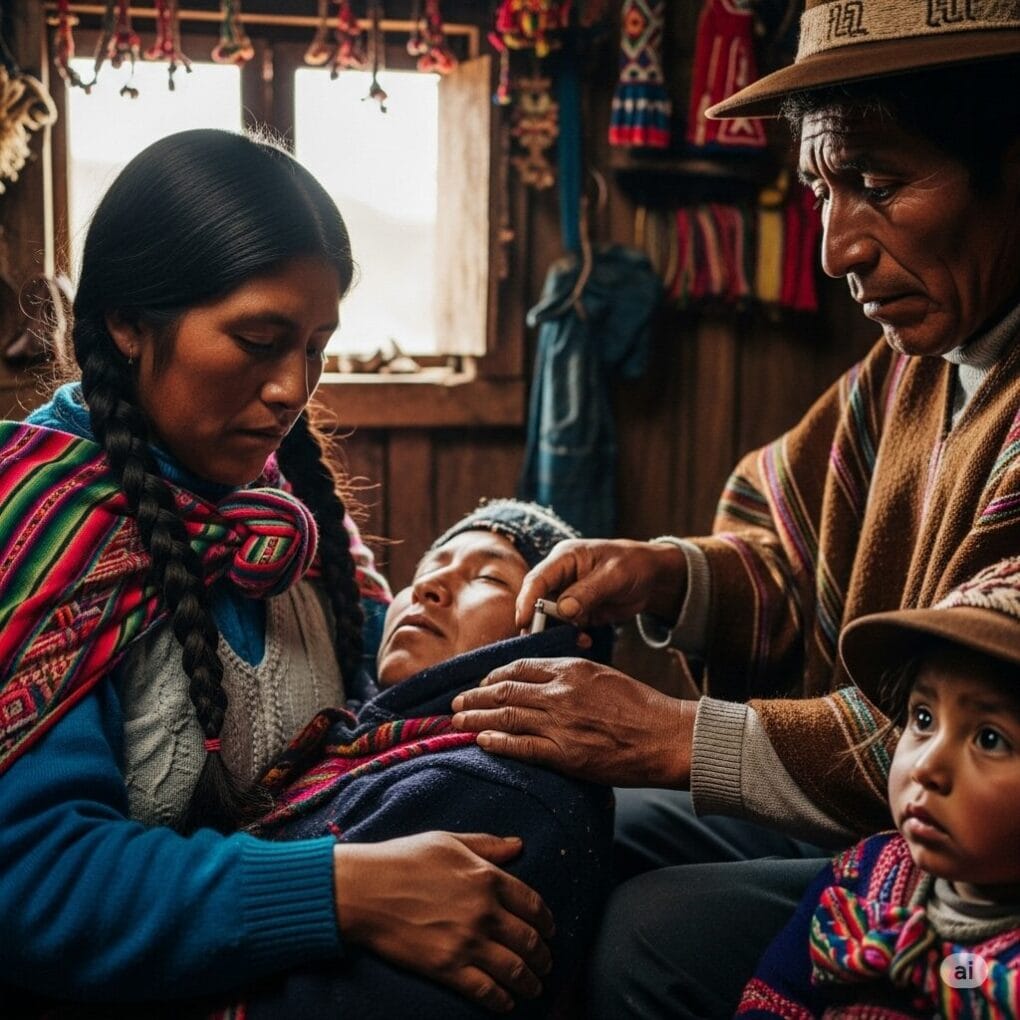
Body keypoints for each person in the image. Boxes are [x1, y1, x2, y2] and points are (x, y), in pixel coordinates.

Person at [449, 5, 1020, 1015]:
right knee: (579, 823)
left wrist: (677, 735)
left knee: (649, 939)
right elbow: (788, 546)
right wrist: (672, 573)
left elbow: (974, 728)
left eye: (879, 187)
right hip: (890, 817)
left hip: (984, 867)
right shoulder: (913, 365)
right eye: (820, 190)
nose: (838, 246)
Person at [0, 129, 554, 1016]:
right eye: (260, 340)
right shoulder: (35, 535)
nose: (294, 388)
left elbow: (394, 689)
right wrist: (345, 890)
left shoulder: (288, 517)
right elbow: (30, 880)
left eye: (316, 344)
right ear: (129, 323)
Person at [235, 499, 614, 1019]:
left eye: (488, 578)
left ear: (553, 637)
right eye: (426, 571)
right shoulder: (362, 735)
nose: (428, 589)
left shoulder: (502, 790)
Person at [739, 557, 1020, 1017]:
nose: (928, 766)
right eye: (923, 718)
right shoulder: (861, 877)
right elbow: (774, 998)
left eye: (990, 739)